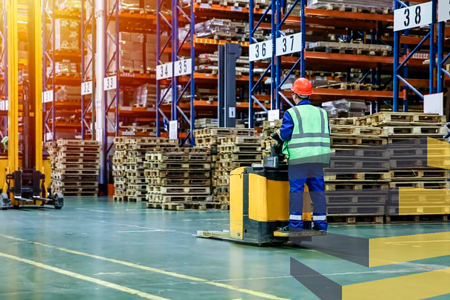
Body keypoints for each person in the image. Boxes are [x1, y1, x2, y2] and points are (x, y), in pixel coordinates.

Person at [276, 78, 331, 232]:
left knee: (297, 193)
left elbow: (286, 134)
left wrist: (277, 134)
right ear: (309, 95)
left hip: (299, 160)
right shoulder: (322, 113)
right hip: (318, 159)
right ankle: (321, 225)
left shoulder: (292, 113)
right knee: (318, 192)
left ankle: (295, 226)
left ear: (295, 95)